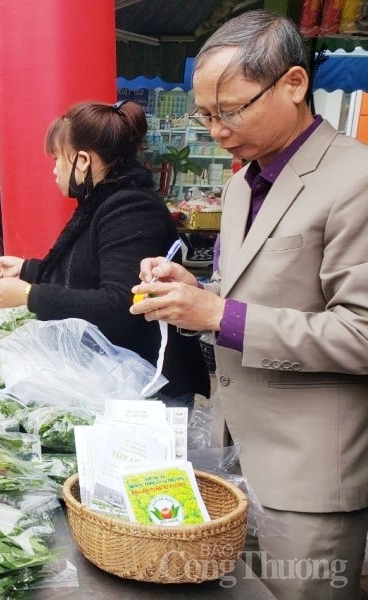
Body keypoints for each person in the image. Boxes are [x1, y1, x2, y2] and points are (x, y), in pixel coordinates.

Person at [129, 11, 368, 599]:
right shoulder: (242, 185)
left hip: (309, 474)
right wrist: (196, 292)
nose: (216, 130)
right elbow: (254, 299)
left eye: (230, 111)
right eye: (206, 114)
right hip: (236, 456)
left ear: (293, 84)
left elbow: (360, 333)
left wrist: (217, 315)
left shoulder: (354, 179)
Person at [0, 101, 209, 407]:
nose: (54, 170)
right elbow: (84, 273)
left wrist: (28, 294)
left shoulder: (132, 209)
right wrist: (26, 269)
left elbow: (120, 305)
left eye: (57, 159)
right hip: (119, 377)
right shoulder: (103, 201)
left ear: (83, 160)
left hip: (150, 387)